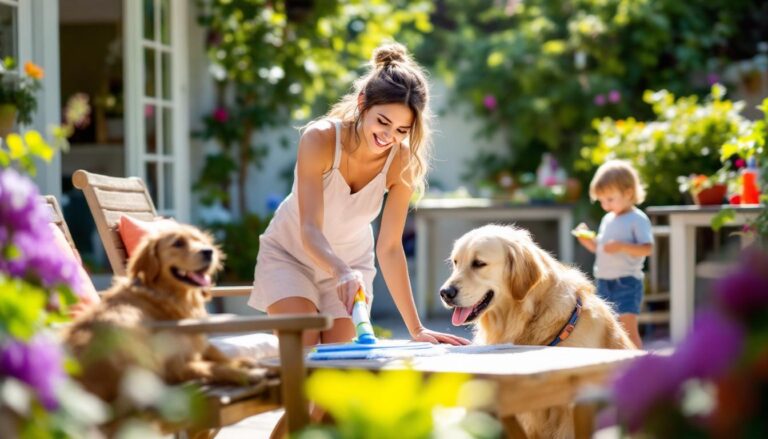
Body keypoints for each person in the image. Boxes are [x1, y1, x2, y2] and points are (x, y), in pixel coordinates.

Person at [248, 42, 469, 347]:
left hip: (351, 266)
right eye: (383, 122)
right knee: (302, 353)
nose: (389, 136)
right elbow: (309, 228)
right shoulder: (321, 139)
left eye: (402, 130)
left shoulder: (402, 161)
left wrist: (417, 329)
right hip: (290, 256)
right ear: (364, 102)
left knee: (338, 370)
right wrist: (341, 271)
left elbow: (390, 247)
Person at [575, 160, 653, 348]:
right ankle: (613, 366)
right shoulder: (608, 219)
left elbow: (647, 248)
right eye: (601, 201)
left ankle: (637, 365)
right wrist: (588, 241)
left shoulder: (637, 218)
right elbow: (601, 249)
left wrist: (622, 246)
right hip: (603, 281)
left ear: (628, 193)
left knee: (628, 331)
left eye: (610, 199)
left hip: (626, 282)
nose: (605, 205)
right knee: (607, 329)